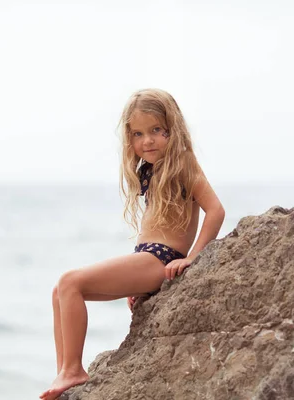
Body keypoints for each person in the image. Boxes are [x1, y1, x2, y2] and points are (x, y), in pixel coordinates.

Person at [39, 88, 225, 400]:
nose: (147, 141)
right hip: (146, 258)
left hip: (161, 258)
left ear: (172, 130)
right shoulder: (151, 171)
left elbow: (216, 210)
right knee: (61, 291)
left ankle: (73, 369)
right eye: (138, 134)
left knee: (70, 282)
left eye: (156, 131)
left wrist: (192, 258)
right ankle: (64, 371)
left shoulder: (183, 163)